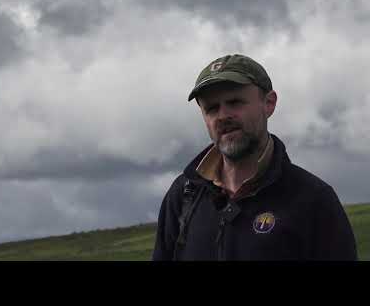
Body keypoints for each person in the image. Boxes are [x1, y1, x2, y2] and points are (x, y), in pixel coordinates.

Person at [152, 54, 357, 261]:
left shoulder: (313, 199)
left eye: (234, 102)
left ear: (269, 103)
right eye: (212, 108)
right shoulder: (184, 195)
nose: (223, 116)